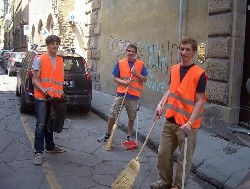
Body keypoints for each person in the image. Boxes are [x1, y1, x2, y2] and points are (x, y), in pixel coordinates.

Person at [150, 36, 207, 189]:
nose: (183, 52)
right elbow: (171, 89)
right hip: (170, 120)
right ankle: (165, 181)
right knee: (163, 153)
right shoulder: (174, 69)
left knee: (184, 159)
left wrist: (190, 122)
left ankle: (178, 185)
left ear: (194, 52)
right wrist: (160, 104)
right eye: (181, 48)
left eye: (187, 49)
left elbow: (200, 101)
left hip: (188, 125)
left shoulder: (199, 74)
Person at [98, 44, 148, 142]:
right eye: (129, 51)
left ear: (135, 53)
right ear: (126, 52)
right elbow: (115, 78)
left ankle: (129, 136)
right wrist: (124, 82)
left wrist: (136, 73)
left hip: (133, 96)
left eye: (133, 51)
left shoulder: (140, 64)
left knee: (131, 117)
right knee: (113, 114)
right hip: (121, 94)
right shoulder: (120, 63)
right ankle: (107, 134)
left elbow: (145, 79)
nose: (130, 53)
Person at [32, 35, 65, 165]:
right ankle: (38, 152)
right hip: (41, 97)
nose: (55, 46)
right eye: (53, 43)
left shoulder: (60, 60)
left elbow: (59, 79)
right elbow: (35, 80)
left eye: (57, 43)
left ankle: (50, 146)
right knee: (41, 125)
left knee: (50, 124)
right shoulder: (40, 60)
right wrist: (44, 91)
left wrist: (61, 93)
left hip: (55, 98)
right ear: (48, 45)